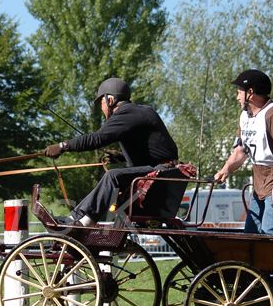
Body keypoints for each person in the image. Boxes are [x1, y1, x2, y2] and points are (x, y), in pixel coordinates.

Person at [44, 77, 179, 226]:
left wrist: (63, 146)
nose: (101, 108)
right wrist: (121, 156)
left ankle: (82, 221)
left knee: (113, 176)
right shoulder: (141, 111)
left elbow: (96, 139)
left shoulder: (127, 113)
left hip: (161, 174)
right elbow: (155, 151)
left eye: (101, 103)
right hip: (165, 173)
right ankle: (79, 221)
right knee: (117, 177)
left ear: (110, 100)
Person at [214, 69, 273, 235]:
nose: (237, 97)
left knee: (271, 232)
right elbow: (240, 151)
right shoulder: (246, 116)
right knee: (251, 231)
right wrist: (225, 170)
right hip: (261, 179)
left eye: (239, 92)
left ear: (250, 92)